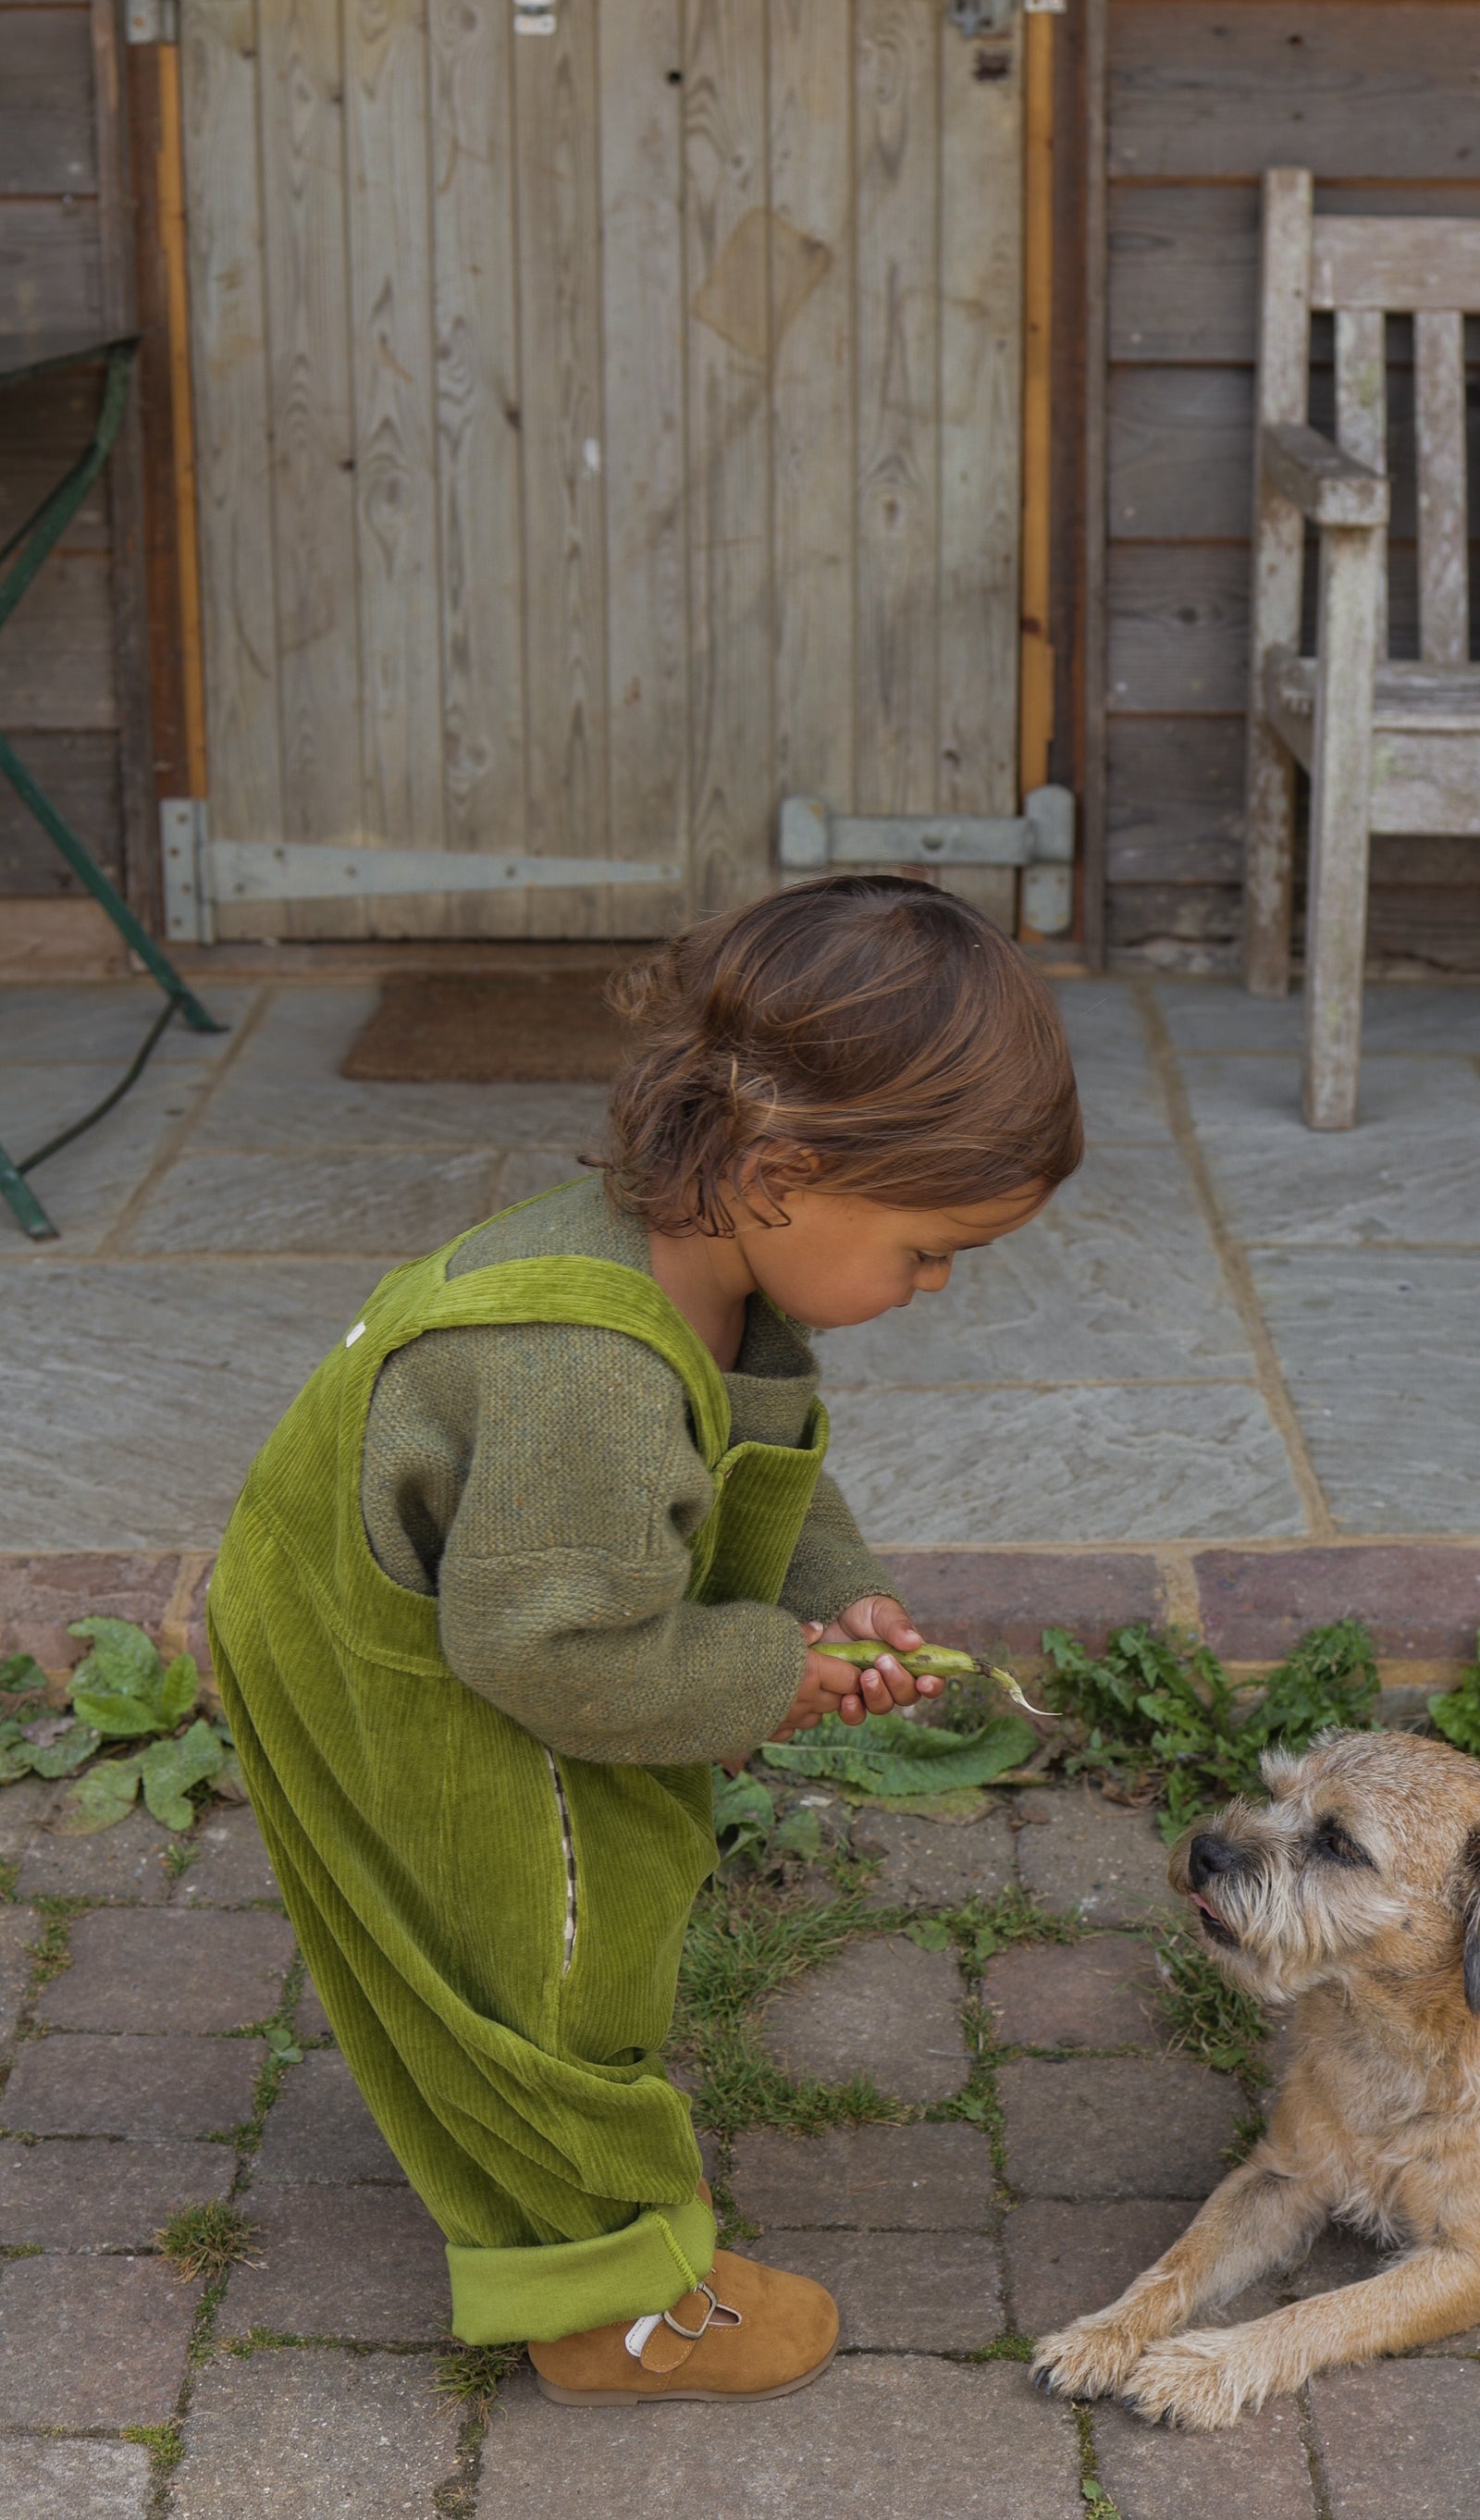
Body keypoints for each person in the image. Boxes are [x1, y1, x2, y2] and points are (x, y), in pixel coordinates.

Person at [207, 877, 1083, 2406]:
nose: (937, 1284)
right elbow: (546, 1653)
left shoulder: (704, 1258)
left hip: (473, 1600)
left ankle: (510, 2142)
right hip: (408, 1643)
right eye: (932, 1247)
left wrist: (835, 1586)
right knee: (562, 1941)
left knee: (524, 1912)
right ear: (782, 1172)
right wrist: (769, 1674)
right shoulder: (588, 1376)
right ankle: (606, 2299)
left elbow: (750, 1447)